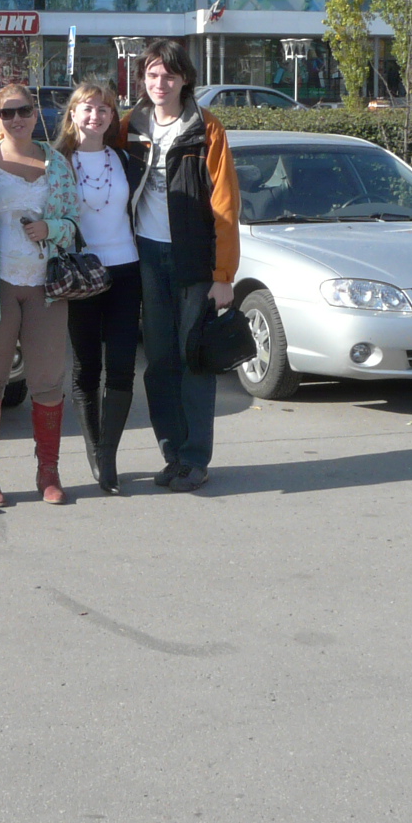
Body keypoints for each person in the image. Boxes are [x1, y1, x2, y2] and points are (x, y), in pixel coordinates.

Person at [125, 39, 240, 493]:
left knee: (194, 361)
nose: (160, 83)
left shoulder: (206, 128)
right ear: (143, 78)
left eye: (169, 75)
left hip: (193, 261)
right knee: (159, 363)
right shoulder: (129, 126)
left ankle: (195, 459)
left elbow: (225, 206)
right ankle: (172, 454)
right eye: (152, 74)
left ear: (185, 79)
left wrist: (223, 276)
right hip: (147, 257)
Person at [0, 83, 84, 506]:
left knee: (48, 382)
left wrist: (51, 228)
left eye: (24, 110)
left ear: (36, 114)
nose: (17, 119)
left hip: (46, 288)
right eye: (8, 112)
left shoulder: (57, 164)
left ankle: (48, 472)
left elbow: (73, 223)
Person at [54, 81, 145, 495]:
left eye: (104, 109)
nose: (95, 115)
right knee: (86, 367)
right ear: (73, 114)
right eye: (87, 108)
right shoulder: (58, 162)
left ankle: (108, 454)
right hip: (82, 275)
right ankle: (95, 449)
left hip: (126, 270)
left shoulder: (125, 158)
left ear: (112, 117)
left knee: (122, 366)